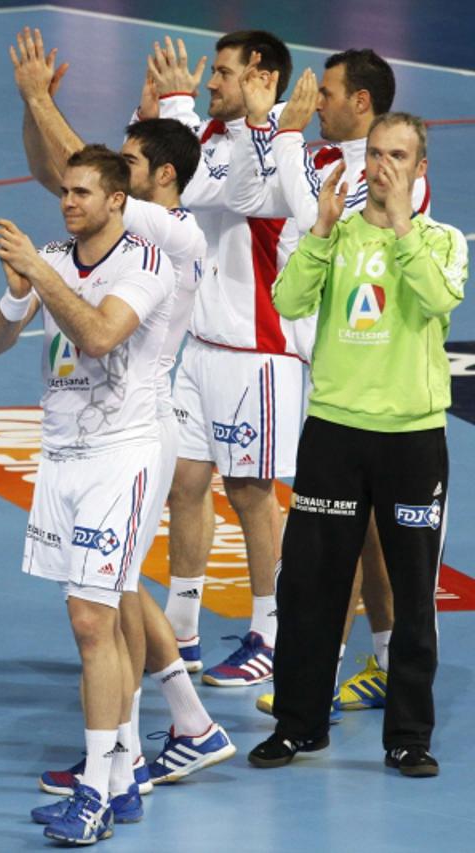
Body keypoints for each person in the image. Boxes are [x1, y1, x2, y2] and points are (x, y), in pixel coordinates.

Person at [12, 27, 236, 789]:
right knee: (118, 588)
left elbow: (78, 166)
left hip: (138, 427)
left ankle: (129, 750)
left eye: (128, 166)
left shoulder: (174, 230)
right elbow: (56, 170)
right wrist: (31, 107)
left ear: (157, 179)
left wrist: (41, 98)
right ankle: (179, 729)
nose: (109, 179)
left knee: (107, 595)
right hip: (119, 423)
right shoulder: (134, 223)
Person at [249, 113, 467, 776]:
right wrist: (318, 230)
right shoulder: (335, 234)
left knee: (412, 593)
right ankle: (299, 725)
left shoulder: (442, 240)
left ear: (420, 168)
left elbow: (437, 300)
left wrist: (401, 226)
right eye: (375, 154)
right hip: (335, 432)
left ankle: (408, 736)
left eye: (398, 156)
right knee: (309, 588)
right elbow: (288, 301)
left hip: (411, 437)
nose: (382, 167)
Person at [0, 145, 174, 843]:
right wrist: (16, 294)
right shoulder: (55, 258)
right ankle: (122, 777)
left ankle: (92, 791)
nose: (67, 202)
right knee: (101, 617)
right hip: (62, 454)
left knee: (92, 619)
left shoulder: (145, 264)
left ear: (117, 200)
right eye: (64, 190)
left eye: (83, 192)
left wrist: (40, 273)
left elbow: (97, 336)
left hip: (122, 454)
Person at [235, 48, 430, 719]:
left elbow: (309, 213)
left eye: (329, 93)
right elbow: (256, 198)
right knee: (364, 536)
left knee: (343, 540)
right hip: (331, 378)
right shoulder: (326, 162)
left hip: (377, 393)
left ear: (362, 103)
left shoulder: (393, 184)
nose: (317, 101)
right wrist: (262, 130)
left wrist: (285, 132)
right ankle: (382, 661)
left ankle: (320, 682)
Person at [144, 32, 302, 687]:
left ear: (261, 78)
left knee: (250, 493)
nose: (211, 82)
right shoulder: (212, 131)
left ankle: (271, 633)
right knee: (184, 483)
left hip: (256, 352)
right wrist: (165, 112)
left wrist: (176, 107)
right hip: (202, 347)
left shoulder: (283, 144)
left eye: (224, 73)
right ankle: (181, 630)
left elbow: (212, 190)